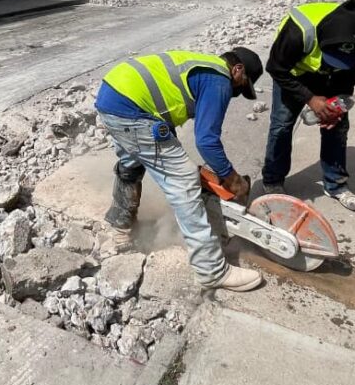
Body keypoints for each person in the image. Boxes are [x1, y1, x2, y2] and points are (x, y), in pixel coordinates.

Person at [95, 47, 265, 291]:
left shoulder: (203, 63)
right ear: (237, 70)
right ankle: (211, 270)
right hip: (132, 108)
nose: (237, 93)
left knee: (132, 161)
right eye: (242, 85)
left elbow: (163, 100)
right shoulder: (220, 80)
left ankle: (121, 226)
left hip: (112, 96)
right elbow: (206, 140)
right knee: (184, 179)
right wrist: (231, 178)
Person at [262, 0, 355, 211]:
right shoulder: (299, 30)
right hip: (292, 73)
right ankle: (273, 180)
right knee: (282, 125)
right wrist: (311, 99)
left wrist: (338, 108)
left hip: (333, 80)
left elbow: (351, 76)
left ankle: (336, 184)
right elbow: (276, 68)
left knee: (337, 126)